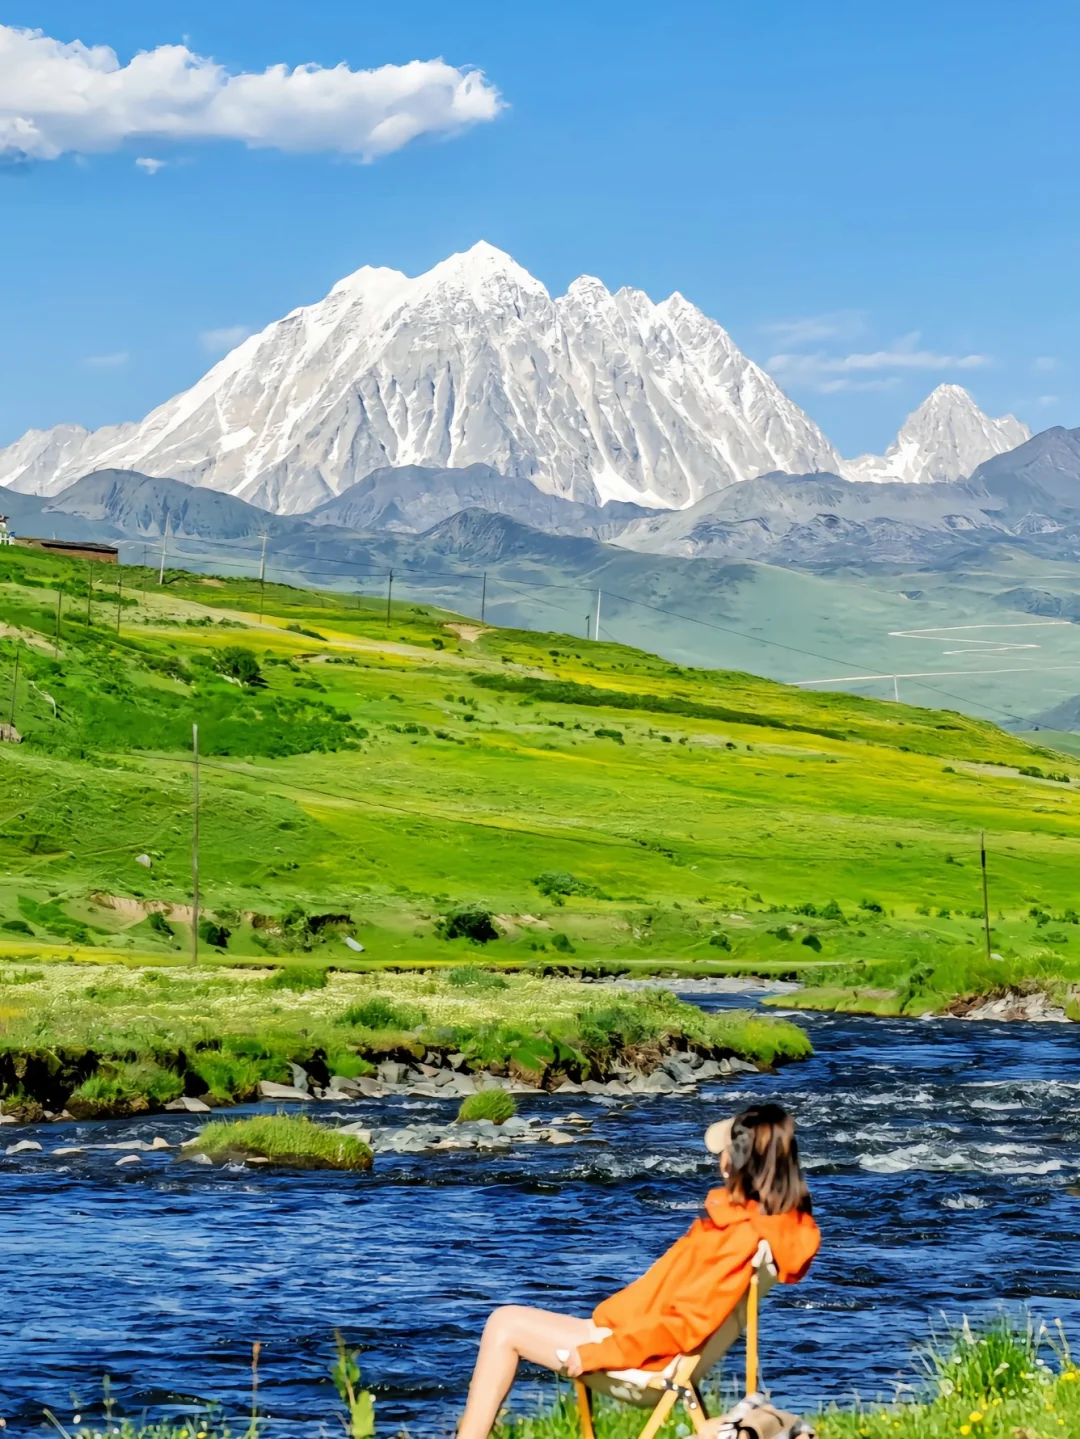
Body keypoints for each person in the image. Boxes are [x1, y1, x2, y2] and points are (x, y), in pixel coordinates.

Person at [457, 1102, 820, 1439]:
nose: (718, 1159)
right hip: (631, 1340)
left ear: (734, 1162)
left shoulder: (736, 1236)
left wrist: (600, 1353)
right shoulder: (768, 1225)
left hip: (637, 1355)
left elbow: (682, 1325)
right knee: (505, 1321)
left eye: (724, 1151)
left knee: (504, 1325)